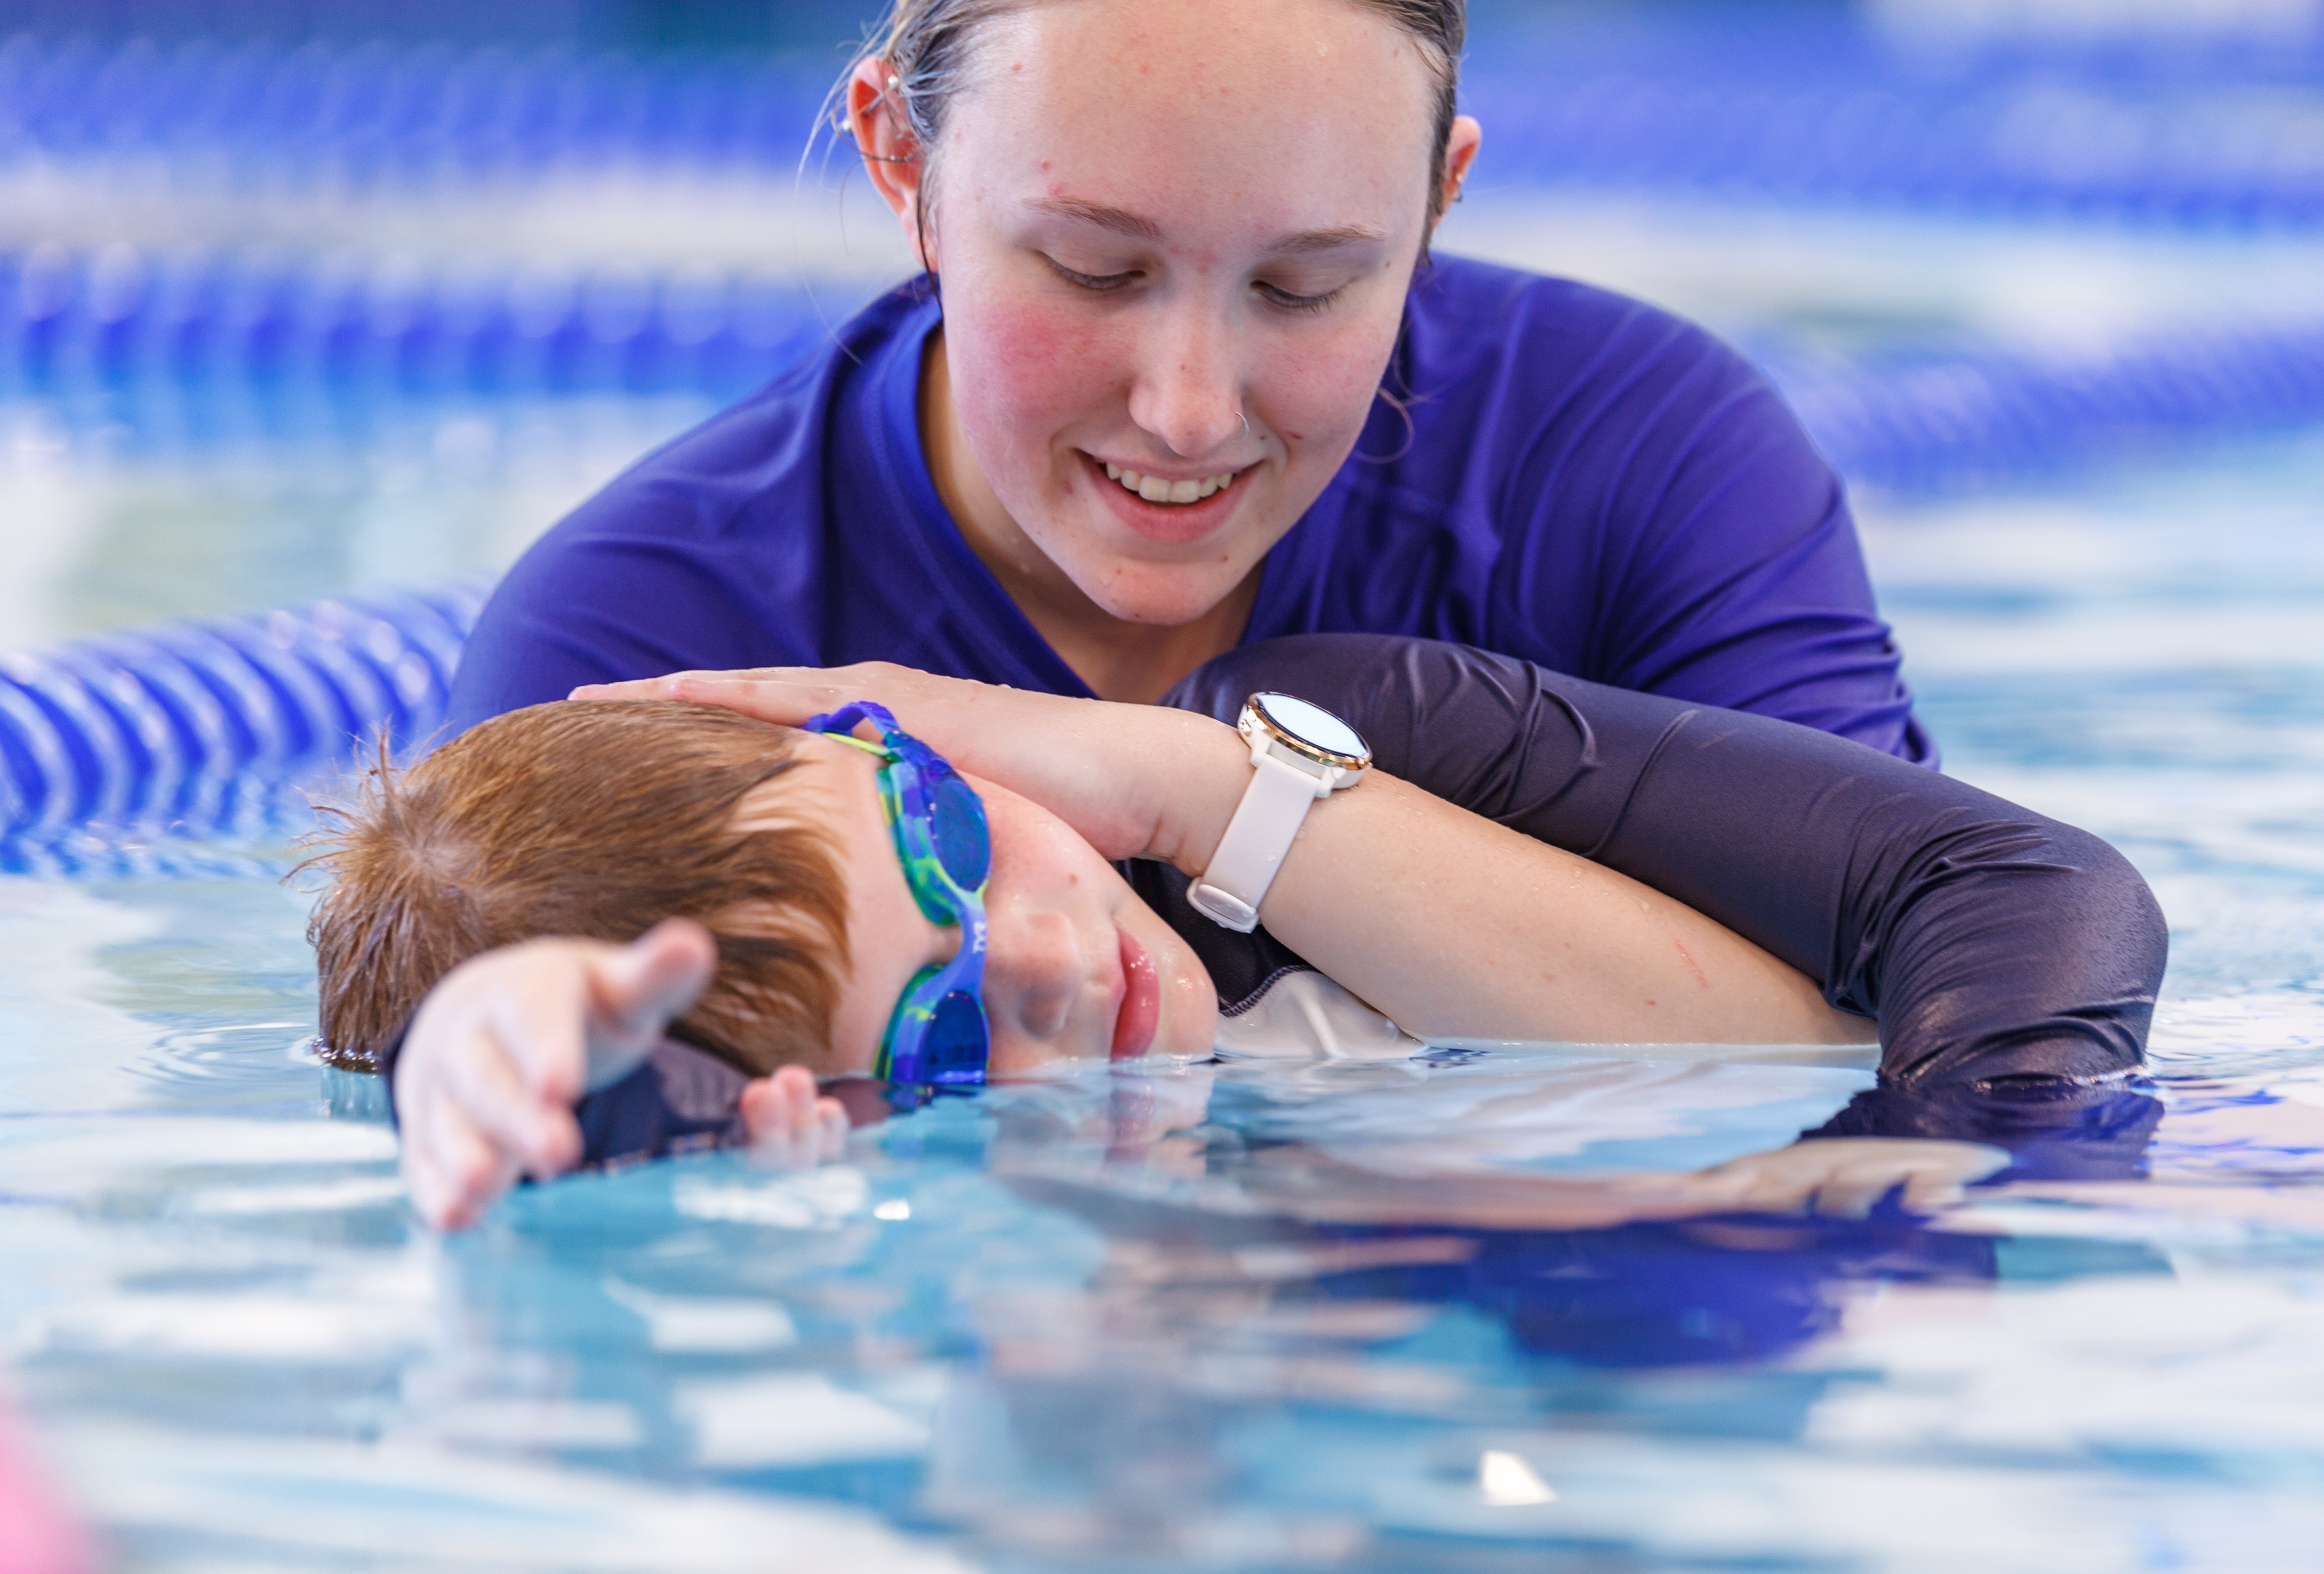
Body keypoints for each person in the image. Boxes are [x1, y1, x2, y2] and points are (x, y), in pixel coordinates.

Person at [443, 0, 1930, 761]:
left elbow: (1981, 974)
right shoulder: (650, 661)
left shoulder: (1636, 468)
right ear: (903, 161)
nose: (1188, 409)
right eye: (1097, 268)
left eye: (1304, 287)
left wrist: (1187, 798)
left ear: (1436, 206)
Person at [352, 635, 2165, 1229]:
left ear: (882, 725)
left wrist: (1959, 1214)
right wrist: (480, 1052)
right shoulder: (1092, 1258)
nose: (1039, 956)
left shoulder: (1350, 733)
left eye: (944, 836)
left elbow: (2026, 903)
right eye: (942, 1037)